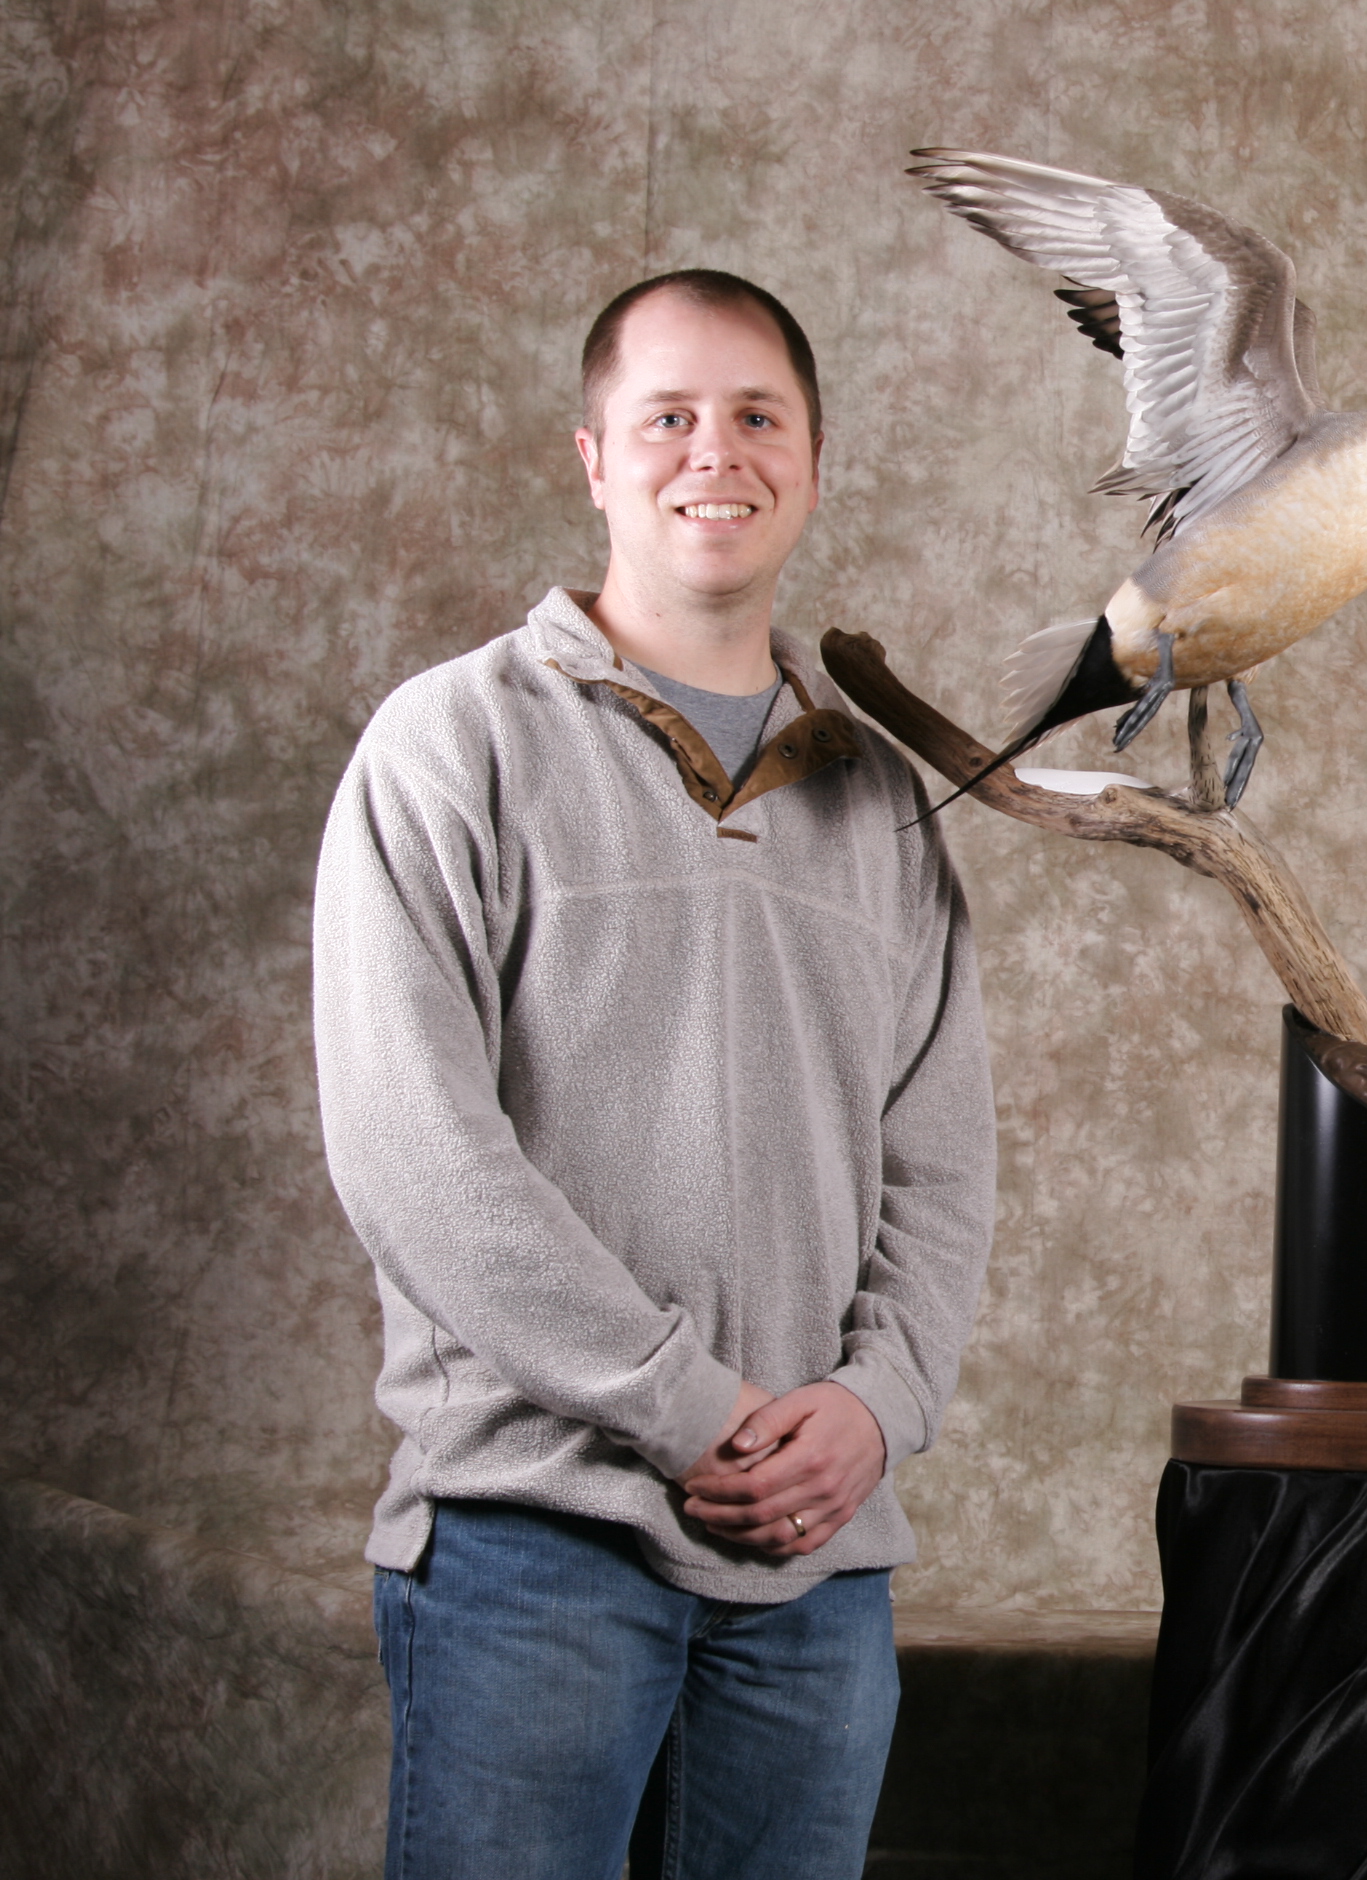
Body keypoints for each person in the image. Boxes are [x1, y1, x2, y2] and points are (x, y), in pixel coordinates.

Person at [312, 269, 994, 1879]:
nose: (715, 453)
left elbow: (943, 1163)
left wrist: (876, 1407)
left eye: (758, 416)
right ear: (593, 459)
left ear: (813, 464)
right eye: (667, 416)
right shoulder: (452, 745)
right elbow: (416, 1154)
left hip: (817, 1570)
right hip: (531, 1545)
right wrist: (688, 1410)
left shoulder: (886, 805)